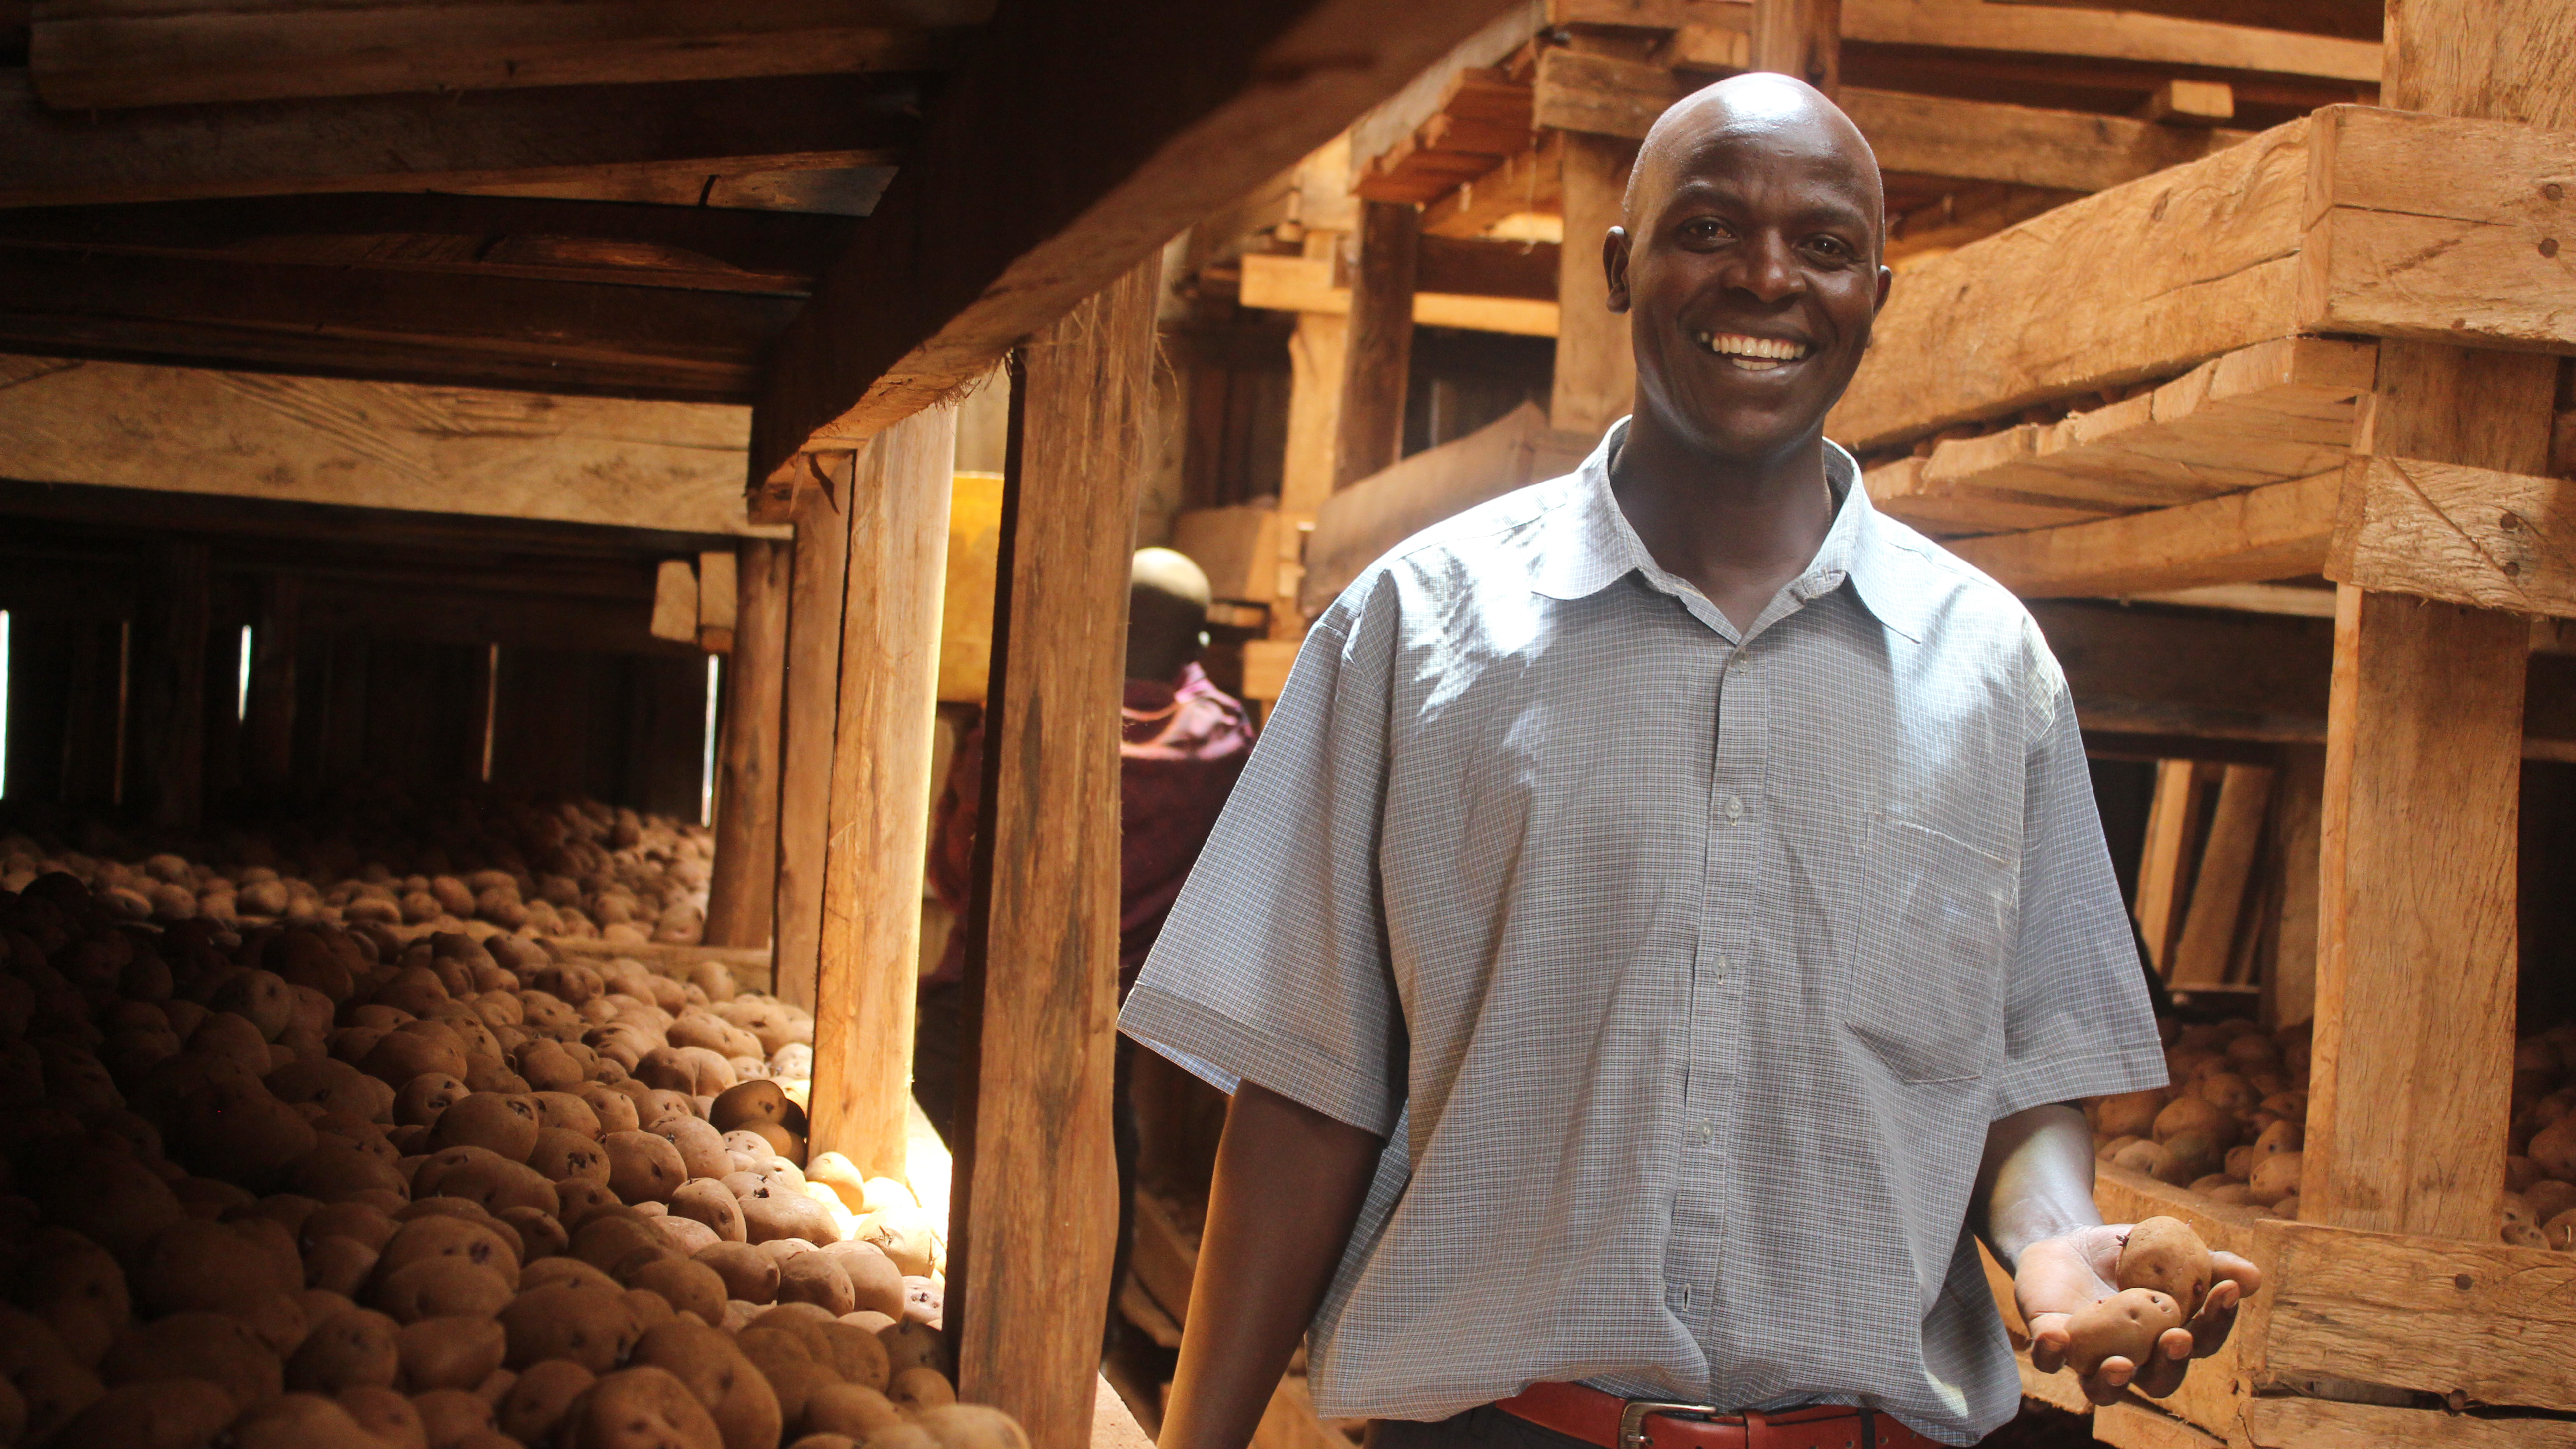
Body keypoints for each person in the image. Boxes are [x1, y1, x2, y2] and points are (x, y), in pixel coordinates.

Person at [1118, 74, 2256, 1449]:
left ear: (1877, 288)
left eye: (1825, 245)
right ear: (1622, 262)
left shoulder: (1993, 668)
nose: (1768, 277)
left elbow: (2023, 1084)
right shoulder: (1412, 633)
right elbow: (1307, 1095)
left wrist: (2061, 1239)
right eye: (1710, 228)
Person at [911, 546, 1258, 1281]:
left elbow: (949, 871)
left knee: (928, 1254)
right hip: (1097, 1052)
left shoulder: (1020, 711)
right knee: (1078, 1276)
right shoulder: (1222, 745)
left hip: (968, 1028)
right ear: (1194, 650)